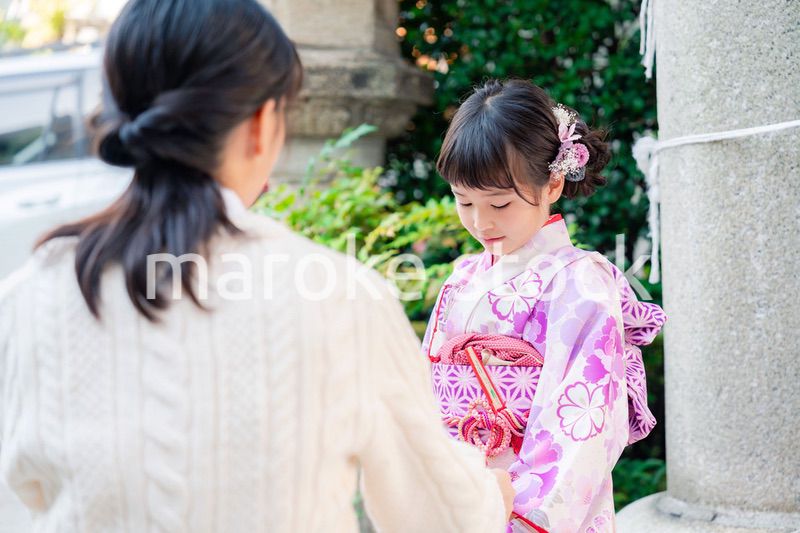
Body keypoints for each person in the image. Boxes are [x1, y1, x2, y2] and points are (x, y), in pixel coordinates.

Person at [0, 1, 514, 531]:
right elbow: (443, 517)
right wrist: (495, 490)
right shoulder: (341, 297)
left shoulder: (29, 297)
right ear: (262, 123)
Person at [422, 79, 667, 532]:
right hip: (456, 496)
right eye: (464, 201)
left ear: (553, 181)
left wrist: (515, 508)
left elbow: (585, 417)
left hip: (528, 501)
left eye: (499, 203)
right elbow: (426, 395)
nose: (480, 221)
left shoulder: (581, 283)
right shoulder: (462, 277)